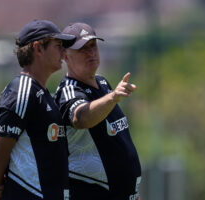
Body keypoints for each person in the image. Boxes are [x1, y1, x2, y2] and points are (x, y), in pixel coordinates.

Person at [0, 19, 75, 200]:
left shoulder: (41, 92)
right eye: (58, 45)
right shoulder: (22, 91)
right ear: (38, 48)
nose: (63, 52)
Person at [54, 22, 142, 200]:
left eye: (93, 46)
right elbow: (80, 118)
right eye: (82, 49)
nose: (91, 53)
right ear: (65, 55)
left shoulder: (102, 83)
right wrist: (113, 97)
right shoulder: (68, 89)